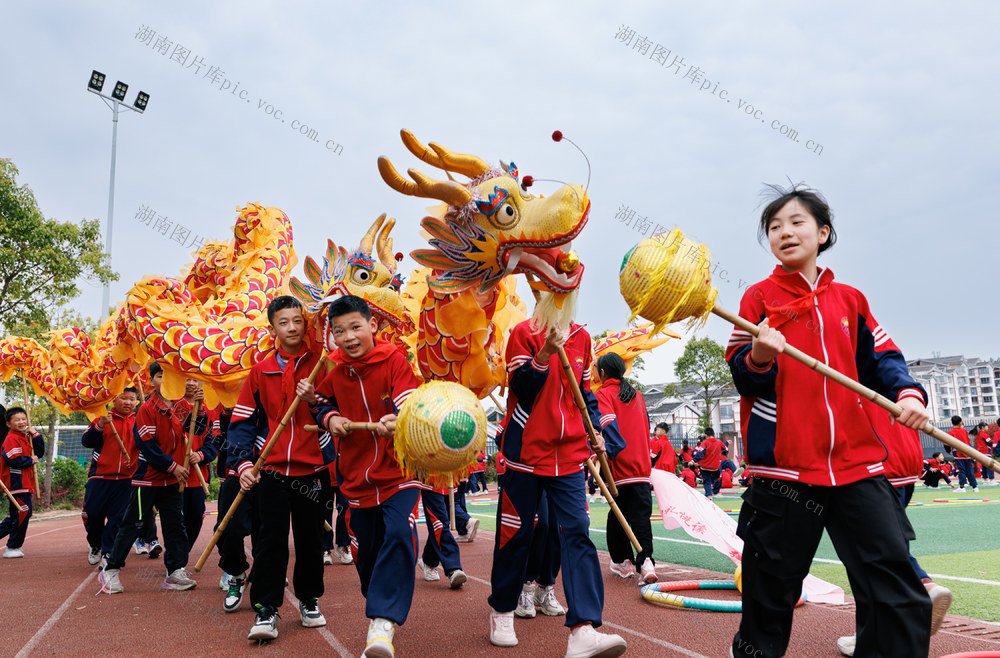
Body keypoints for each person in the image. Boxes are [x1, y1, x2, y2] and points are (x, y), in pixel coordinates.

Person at [725, 184, 932, 657]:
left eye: (796, 222)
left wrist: (908, 392)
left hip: (859, 468)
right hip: (784, 474)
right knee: (767, 598)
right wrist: (759, 354)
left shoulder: (850, 300)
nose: (784, 232)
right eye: (774, 227)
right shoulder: (757, 299)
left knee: (895, 589)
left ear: (823, 232)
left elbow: (884, 358)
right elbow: (744, 377)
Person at [486, 312, 626, 656]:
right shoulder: (524, 332)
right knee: (517, 533)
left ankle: (584, 628)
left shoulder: (582, 336)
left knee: (577, 531)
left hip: (569, 457)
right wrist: (544, 354)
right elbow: (521, 388)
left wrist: (595, 430)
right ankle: (503, 610)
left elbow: (585, 394)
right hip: (525, 453)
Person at [313, 295, 424, 658]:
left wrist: (400, 417)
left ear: (372, 325)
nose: (348, 337)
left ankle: (381, 626)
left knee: (398, 533)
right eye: (340, 331)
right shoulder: (332, 368)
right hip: (356, 476)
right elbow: (322, 404)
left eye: (355, 327)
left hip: (399, 471)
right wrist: (330, 418)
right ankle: (379, 598)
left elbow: (410, 401)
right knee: (367, 555)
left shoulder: (394, 359)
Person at [231, 295, 334, 641]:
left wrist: (314, 398)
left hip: (313, 471)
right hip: (271, 470)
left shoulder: (322, 364)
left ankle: (309, 599)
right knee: (269, 540)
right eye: (283, 322)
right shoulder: (260, 371)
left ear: (306, 323)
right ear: (272, 327)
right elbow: (243, 421)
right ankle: (266, 608)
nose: (292, 328)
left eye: (297, 321)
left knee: (310, 540)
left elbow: (336, 406)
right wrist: (244, 463)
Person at [100, 362, 207, 593]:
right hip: (147, 479)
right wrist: (172, 466)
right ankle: (110, 570)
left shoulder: (181, 405)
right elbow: (147, 447)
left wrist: (201, 406)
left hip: (171, 480)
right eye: (160, 376)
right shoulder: (147, 409)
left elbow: (195, 430)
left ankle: (175, 571)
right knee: (133, 524)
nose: (165, 381)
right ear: (152, 381)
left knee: (175, 525)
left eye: (170, 376)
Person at [595, 353, 657, 584]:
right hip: (641, 466)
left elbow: (609, 427)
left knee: (618, 516)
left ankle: (623, 561)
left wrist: (607, 451)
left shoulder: (603, 394)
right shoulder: (637, 395)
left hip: (618, 466)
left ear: (603, 373)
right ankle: (647, 561)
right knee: (641, 516)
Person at [81, 388, 140, 567]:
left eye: (132, 399)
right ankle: (95, 544)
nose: (128, 402)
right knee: (92, 514)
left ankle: (108, 552)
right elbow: (86, 441)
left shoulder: (139, 422)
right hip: (99, 477)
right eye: (124, 398)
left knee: (118, 517)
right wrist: (100, 425)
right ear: (114, 400)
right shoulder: (102, 418)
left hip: (126, 478)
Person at [173, 379, 217, 550]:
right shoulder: (173, 406)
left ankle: (183, 551)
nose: (190, 383)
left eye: (194, 380)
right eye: (187, 379)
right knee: (177, 518)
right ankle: (176, 558)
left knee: (196, 516)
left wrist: (202, 454)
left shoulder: (210, 410)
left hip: (199, 476)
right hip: (176, 473)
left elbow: (214, 440)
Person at [0, 407, 41, 558]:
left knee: (17, 514)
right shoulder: (11, 438)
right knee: (23, 512)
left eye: (23, 419)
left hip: (25, 482)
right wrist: (30, 460)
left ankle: (14, 545)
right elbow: (13, 459)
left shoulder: (24, 437)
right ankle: (13, 546)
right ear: (8, 424)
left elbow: (40, 453)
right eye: (17, 420)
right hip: (16, 482)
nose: (21, 422)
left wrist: (35, 435)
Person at [416, 485, 467, 588]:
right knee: (439, 524)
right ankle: (453, 568)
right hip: (430, 480)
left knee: (443, 523)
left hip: (451, 481)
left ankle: (428, 560)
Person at [948, 416, 978, 493]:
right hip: (967, 452)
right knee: (970, 470)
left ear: (952, 423)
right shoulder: (964, 431)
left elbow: (947, 443)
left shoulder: (951, 432)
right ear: (961, 422)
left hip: (958, 453)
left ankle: (962, 487)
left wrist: (948, 451)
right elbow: (968, 441)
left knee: (961, 470)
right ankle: (975, 487)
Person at [694, 428, 725, 499]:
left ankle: (709, 495)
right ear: (714, 434)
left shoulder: (704, 443)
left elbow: (699, 454)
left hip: (704, 467)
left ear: (705, 435)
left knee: (706, 480)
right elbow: (725, 451)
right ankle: (714, 492)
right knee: (718, 476)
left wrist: (693, 461)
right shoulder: (719, 442)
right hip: (715, 467)